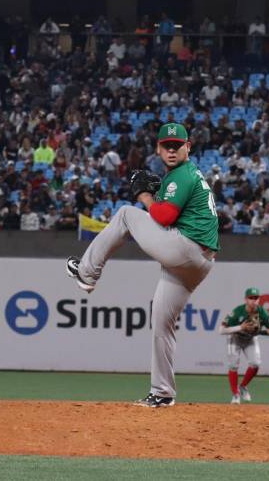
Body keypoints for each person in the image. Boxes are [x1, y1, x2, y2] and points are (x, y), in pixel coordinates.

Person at [65, 123, 218, 408]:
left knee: (125, 214)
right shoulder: (186, 176)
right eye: (167, 146)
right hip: (200, 262)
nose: (172, 150)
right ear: (159, 149)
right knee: (161, 320)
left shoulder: (183, 175)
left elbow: (164, 216)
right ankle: (162, 393)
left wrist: (144, 196)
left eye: (177, 145)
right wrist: (157, 191)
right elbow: (169, 209)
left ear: (189, 147)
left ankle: (86, 273)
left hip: (185, 247)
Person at [219, 287, 269, 404]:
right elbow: (221, 330)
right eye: (251, 298)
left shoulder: (263, 313)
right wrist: (241, 327)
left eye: (256, 298)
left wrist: (260, 332)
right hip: (234, 338)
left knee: (255, 364)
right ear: (246, 299)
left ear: (259, 300)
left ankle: (243, 386)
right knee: (233, 365)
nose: (254, 300)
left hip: (250, 339)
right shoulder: (237, 312)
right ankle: (235, 395)